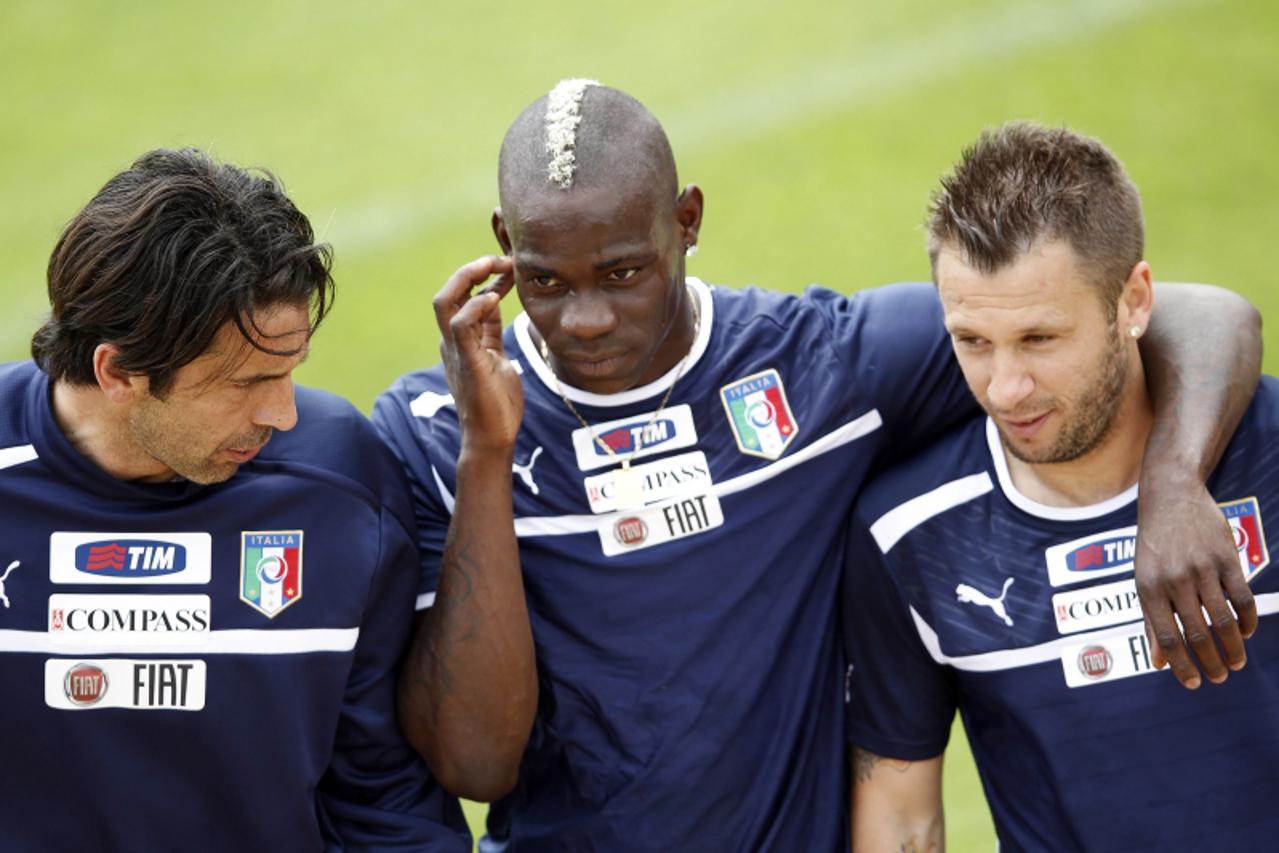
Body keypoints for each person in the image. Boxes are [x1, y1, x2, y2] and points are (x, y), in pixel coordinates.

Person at [374, 82, 1258, 850]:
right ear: (502, 243)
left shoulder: (825, 369)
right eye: (547, 281)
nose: (587, 318)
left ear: (687, 221)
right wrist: (484, 454)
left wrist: (1172, 481)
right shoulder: (428, 429)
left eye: (623, 270)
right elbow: (475, 762)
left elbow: (1190, 315)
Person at [0, 149, 470, 850]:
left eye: (289, 373)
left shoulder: (338, 483)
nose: (282, 414)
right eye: (245, 382)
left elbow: (384, 798)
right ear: (119, 371)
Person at [843, 122, 1279, 851]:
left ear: (1134, 300)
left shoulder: (1268, 452)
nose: (1006, 387)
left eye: (1040, 339)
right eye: (971, 341)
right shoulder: (906, 535)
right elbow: (901, 817)